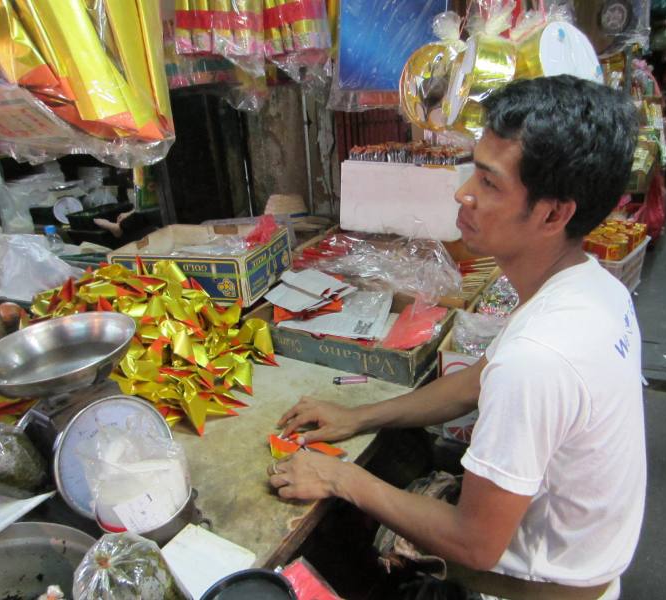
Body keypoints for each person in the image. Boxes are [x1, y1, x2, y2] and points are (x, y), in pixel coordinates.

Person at [268, 75, 644, 600]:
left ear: (555, 213)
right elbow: (476, 382)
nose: (462, 192)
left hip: (535, 587)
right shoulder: (593, 285)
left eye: (489, 183)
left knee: (337, 552)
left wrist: (340, 480)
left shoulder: (539, 359)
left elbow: (474, 543)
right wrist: (359, 416)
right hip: (573, 559)